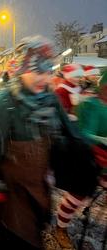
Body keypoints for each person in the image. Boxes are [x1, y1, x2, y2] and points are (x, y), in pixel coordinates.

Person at [0, 36, 97, 250]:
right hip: (11, 196)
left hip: (39, 192)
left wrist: (86, 156)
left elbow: (70, 134)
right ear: (20, 70)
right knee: (18, 240)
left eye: (48, 72)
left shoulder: (50, 100)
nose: (44, 78)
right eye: (37, 71)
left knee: (31, 236)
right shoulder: (4, 104)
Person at [55, 71, 107, 248]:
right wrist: (100, 141)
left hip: (104, 160)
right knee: (77, 195)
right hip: (88, 159)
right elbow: (82, 133)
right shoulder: (91, 105)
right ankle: (60, 228)